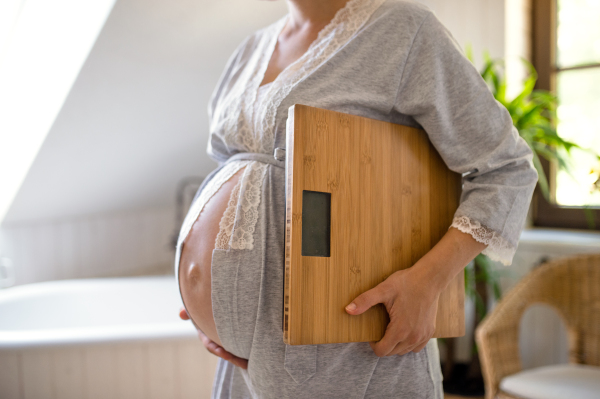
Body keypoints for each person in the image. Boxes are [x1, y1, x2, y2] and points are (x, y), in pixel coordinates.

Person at [175, 0, 539, 397]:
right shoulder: (249, 50)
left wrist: (428, 281)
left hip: (345, 352)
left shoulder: (404, 30)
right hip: (241, 365)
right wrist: (208, 310)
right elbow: (235, 181)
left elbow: (507, 170)